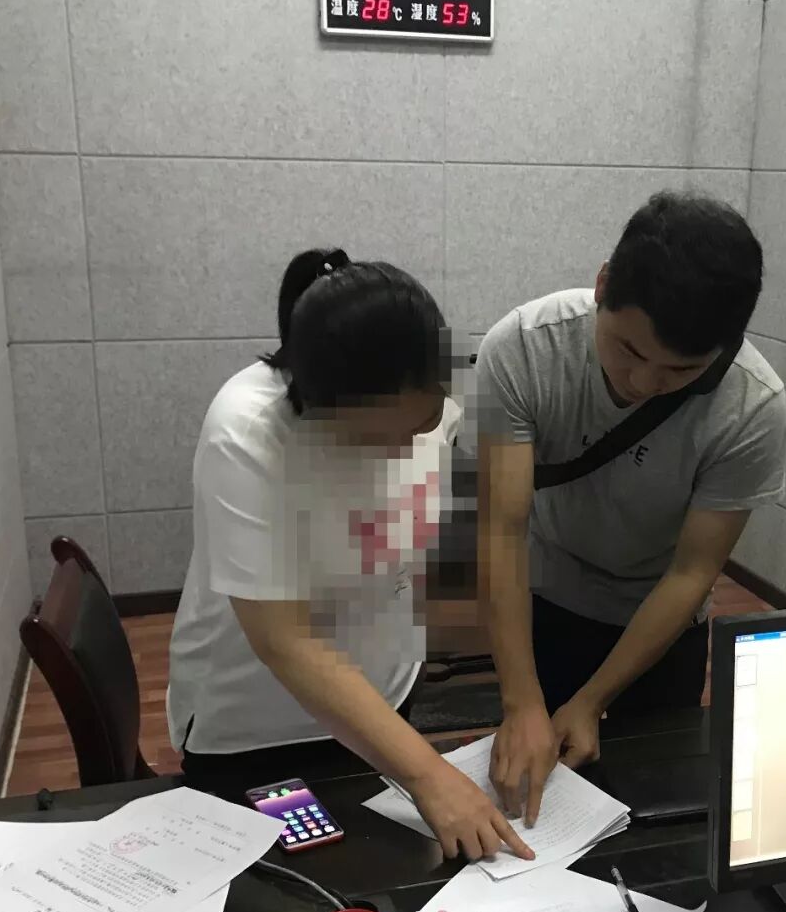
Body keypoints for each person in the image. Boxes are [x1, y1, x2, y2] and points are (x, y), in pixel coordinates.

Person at [167, 249, 533, 863]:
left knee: (386, 879)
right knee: (287, 896)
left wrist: (519, 701)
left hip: (385, 703)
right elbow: (286, 639)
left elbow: (491, 517)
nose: (402, 451)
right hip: (258, 728)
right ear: (318, 405)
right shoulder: (249, 430)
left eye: (420, 425)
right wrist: (430, 774)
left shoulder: (439, 387)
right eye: (373, 439)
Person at [476, 191, 786, 823]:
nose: (643, 383)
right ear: (602, 285)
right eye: (628, 350)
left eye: (680, 371)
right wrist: (521, 701)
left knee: (654, 817)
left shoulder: (752, 407)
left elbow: (691, 574)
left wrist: (593, 701)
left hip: (660, 624)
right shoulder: (524, 349)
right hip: (545, 597)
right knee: (530, 798)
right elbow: (501, 531)